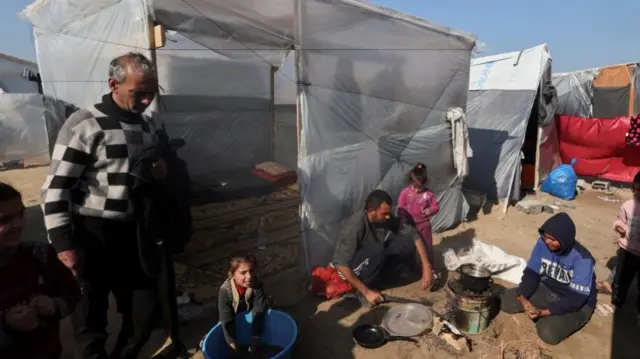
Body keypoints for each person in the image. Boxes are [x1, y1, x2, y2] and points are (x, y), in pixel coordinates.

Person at [41, 52, 165, 359]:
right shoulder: (85, 124)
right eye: (139, 93)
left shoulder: (149, 126)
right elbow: (56, 187)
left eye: (152, 93)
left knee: (145, 314)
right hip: (92, 232)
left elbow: (141, 173)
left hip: (134, 234)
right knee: (90, 321)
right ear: (114, 84)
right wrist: (63, 244)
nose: (147, 101)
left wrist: (158, 172)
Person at [0, 182, 80, 359]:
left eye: (21, 213)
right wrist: (6, 328)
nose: (19, 223)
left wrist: (54, 306)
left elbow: (72, 292)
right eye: (5, 219)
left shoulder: (40, 255)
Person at [500, 212, 596, 345]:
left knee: (547, 332)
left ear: (564, 240)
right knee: (506, 301)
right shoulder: (542, 244)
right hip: (549, 288)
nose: (547, 241)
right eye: (545, 237)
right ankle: (544, 311)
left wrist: (543, 312)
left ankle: (557, 317)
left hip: (577, 303)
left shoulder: (583, 259)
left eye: (552, 239)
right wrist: (523, 298)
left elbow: (576, 299)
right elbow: (531, 273)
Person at [332, 189, 433, 306]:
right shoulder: (355, 226)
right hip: (355, 269)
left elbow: (412, 233)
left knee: (405, 240)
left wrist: (427, 266)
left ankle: (388, 277)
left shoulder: (384, 218)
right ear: (371, 211)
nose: (388, 217)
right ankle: (363, 289)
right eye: (384, 214)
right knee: (379, 249)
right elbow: (340, 264)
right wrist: (367, 292)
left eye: (388, 213)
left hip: (372, 258)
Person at [218, 254, 269, 356]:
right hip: (234, 315)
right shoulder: (225, 291)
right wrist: (234, 350)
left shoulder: (256, 283)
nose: (249, 276)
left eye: (251, 271)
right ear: (231, 275)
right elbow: (226, 321)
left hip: (252, 312)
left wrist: (255, 338)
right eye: (243, 273)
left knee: (266, 305)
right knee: (222, 328)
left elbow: (259, 307)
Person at [397, 163, 439, 280]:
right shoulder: (405, 192)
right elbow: (401, 207)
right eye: (414, 186)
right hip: (409, 226)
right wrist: (403, 219)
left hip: (424, 225)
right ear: (410, 182)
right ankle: (411, 268)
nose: (416, 189)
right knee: (410, 247)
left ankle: (431, 269)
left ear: (424, 183)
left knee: (427, 247)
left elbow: (435, 207)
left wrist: (429, 211)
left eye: (419, 187)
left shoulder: (428, 194)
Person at [610, 171, 640, 321]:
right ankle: (617, 300)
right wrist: (619, 226)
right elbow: (619, 220)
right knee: (622, 278)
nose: (638, 194)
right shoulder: (628, 206)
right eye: (636, 190)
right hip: (627, 250)